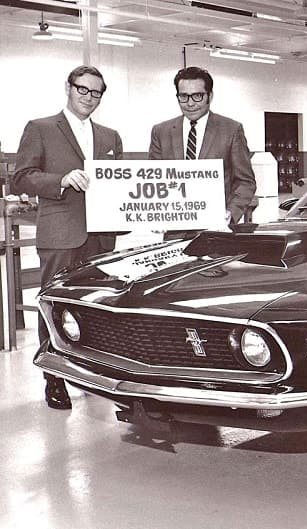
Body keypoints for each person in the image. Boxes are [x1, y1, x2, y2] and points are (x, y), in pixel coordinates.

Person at [13, 65, 123, 410]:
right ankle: (54, 378)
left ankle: (92, 372)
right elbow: (22, 177)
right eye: (83, 89)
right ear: (68, 87)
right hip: (60, 233)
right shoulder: (41, 128)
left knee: (97, 307)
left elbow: (120, 183)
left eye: (96, 92)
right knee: (54, 306)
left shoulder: (110, 136)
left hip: (101, 237)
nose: (89, 97)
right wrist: (60, 180)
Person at [148, 66, 256, 237]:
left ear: (209, 96)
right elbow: (153, 180)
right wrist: (155, 214)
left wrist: (231, 213)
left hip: (216, 232)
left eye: (197, 96)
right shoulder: (160, 131)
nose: (190, 103)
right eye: (183, 96)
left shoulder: (231, 130)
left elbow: (245, 182)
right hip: (174, 234)